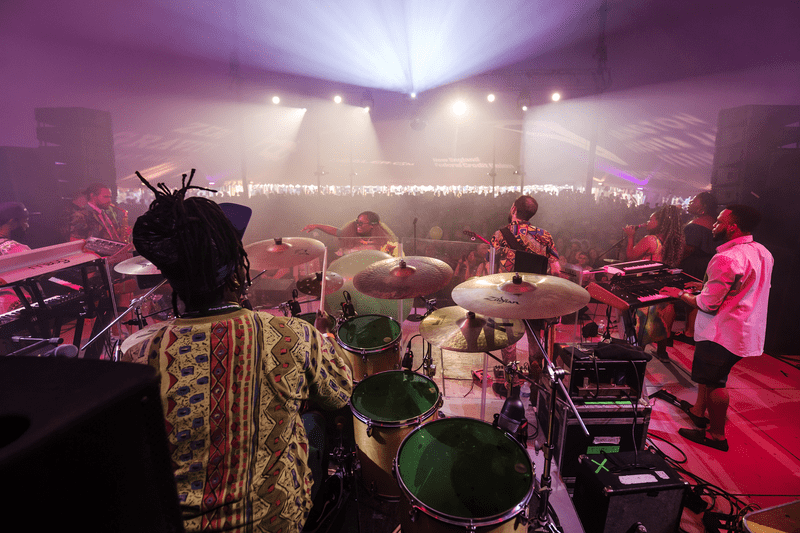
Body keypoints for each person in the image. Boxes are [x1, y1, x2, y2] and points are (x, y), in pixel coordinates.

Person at [121, 171, 353, 532]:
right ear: (236, 268)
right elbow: (339, 392)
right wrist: (324, 338)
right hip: (273, 522)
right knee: (317, 425)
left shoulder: (140, 354)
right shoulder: (290, 334)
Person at [660, 205, 773, 452]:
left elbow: (708, 305)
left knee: (715, 384)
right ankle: (698, 411)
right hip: (745, 330)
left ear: (732, 227)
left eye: (719, 221)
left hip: (721, 333)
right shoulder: (762, 252)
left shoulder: (726, 257)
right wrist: (704, 285)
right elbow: (742, 288)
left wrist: (680, 294)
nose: (713, 224)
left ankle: (716, 436)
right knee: (709, 377)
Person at [490, 195, 561, 394]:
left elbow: (492, 268)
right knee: (535, 337)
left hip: (509, 294)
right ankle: (536, 382)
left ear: (513, 208)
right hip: (534, 294)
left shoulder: (501, 234)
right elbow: (556, 270)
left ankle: (511, 384)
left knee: (509, 339)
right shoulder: (544, 235)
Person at [623, 204, 685, 360]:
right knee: (662, 318)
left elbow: (631, 257)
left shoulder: (650, 240)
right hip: (666, 285)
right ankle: (662, 352)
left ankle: (637, 356)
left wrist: (630, 237)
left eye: (651, 219)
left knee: (644, 321)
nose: (648, 222)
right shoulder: (676, 242)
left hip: (647, 285)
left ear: (661, 223)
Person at [678, 192, 717, 340]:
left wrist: (676, 261)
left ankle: (689, 332)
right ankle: (691, 331)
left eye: (694, 200)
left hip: (693, 264)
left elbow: (689, 248)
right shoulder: (713, 222)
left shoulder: (697, 225)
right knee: (699, 296)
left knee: (692, 296)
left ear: (703, 206)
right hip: (706, 264)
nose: (690, 202)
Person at [302, 211, 397, 255]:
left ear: (372, 225)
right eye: (357, 222)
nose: (358, 225)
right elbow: (335, 231)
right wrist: (317, 226)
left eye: (361, 223)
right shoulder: (352, 234)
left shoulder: (382, 240)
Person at [0, 202, 31, 314]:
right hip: (18, 313)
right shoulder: (16, 248)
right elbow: (37, 275)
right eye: (25, 221)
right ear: (12, 222)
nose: (27, 226)